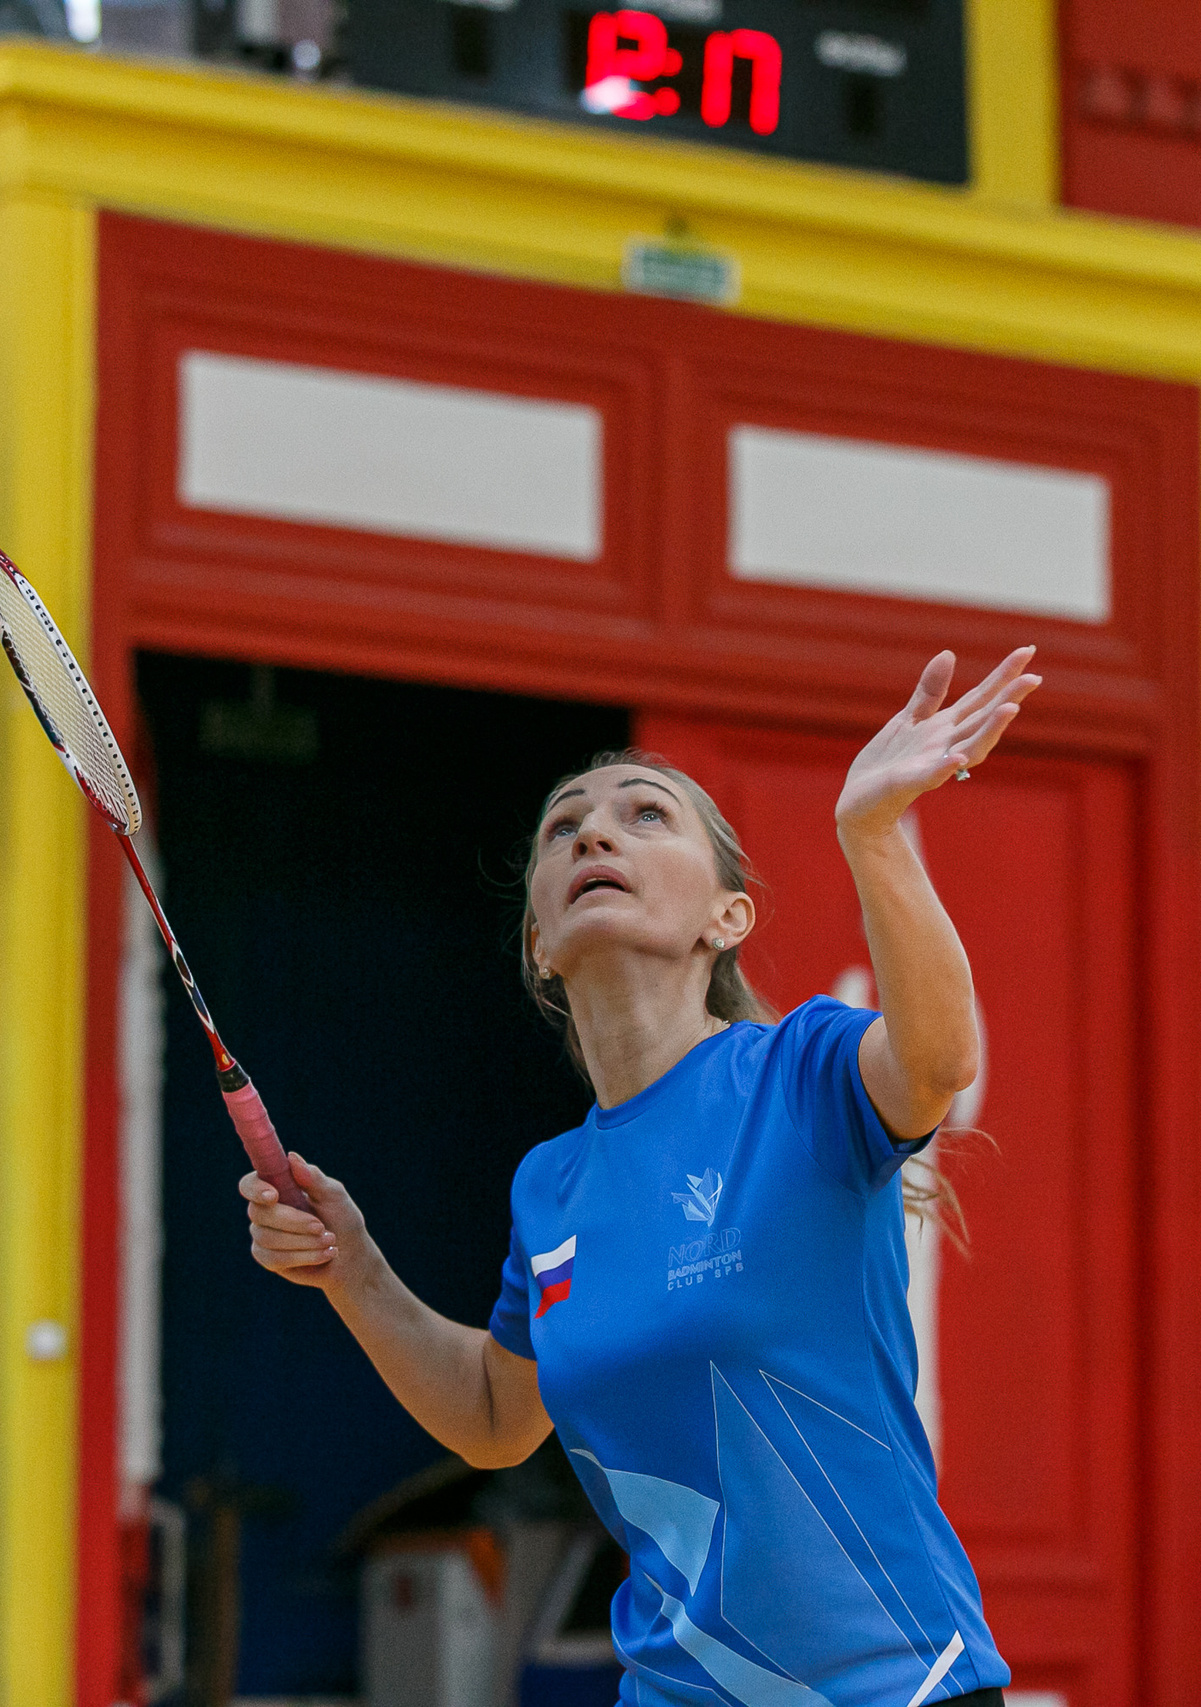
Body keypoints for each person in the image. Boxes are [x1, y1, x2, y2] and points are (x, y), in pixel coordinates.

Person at [242, 646, 1043, 1707]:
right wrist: (352, 1269)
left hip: (899, 1684)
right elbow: (495, 1414)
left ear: (727, 918)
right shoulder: (552, 1184)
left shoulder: (796, 1076)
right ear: (539, 943)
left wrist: (873, 836)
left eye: (644, 815)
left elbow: (938, 1060)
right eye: (563, 828)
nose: (595, 833)